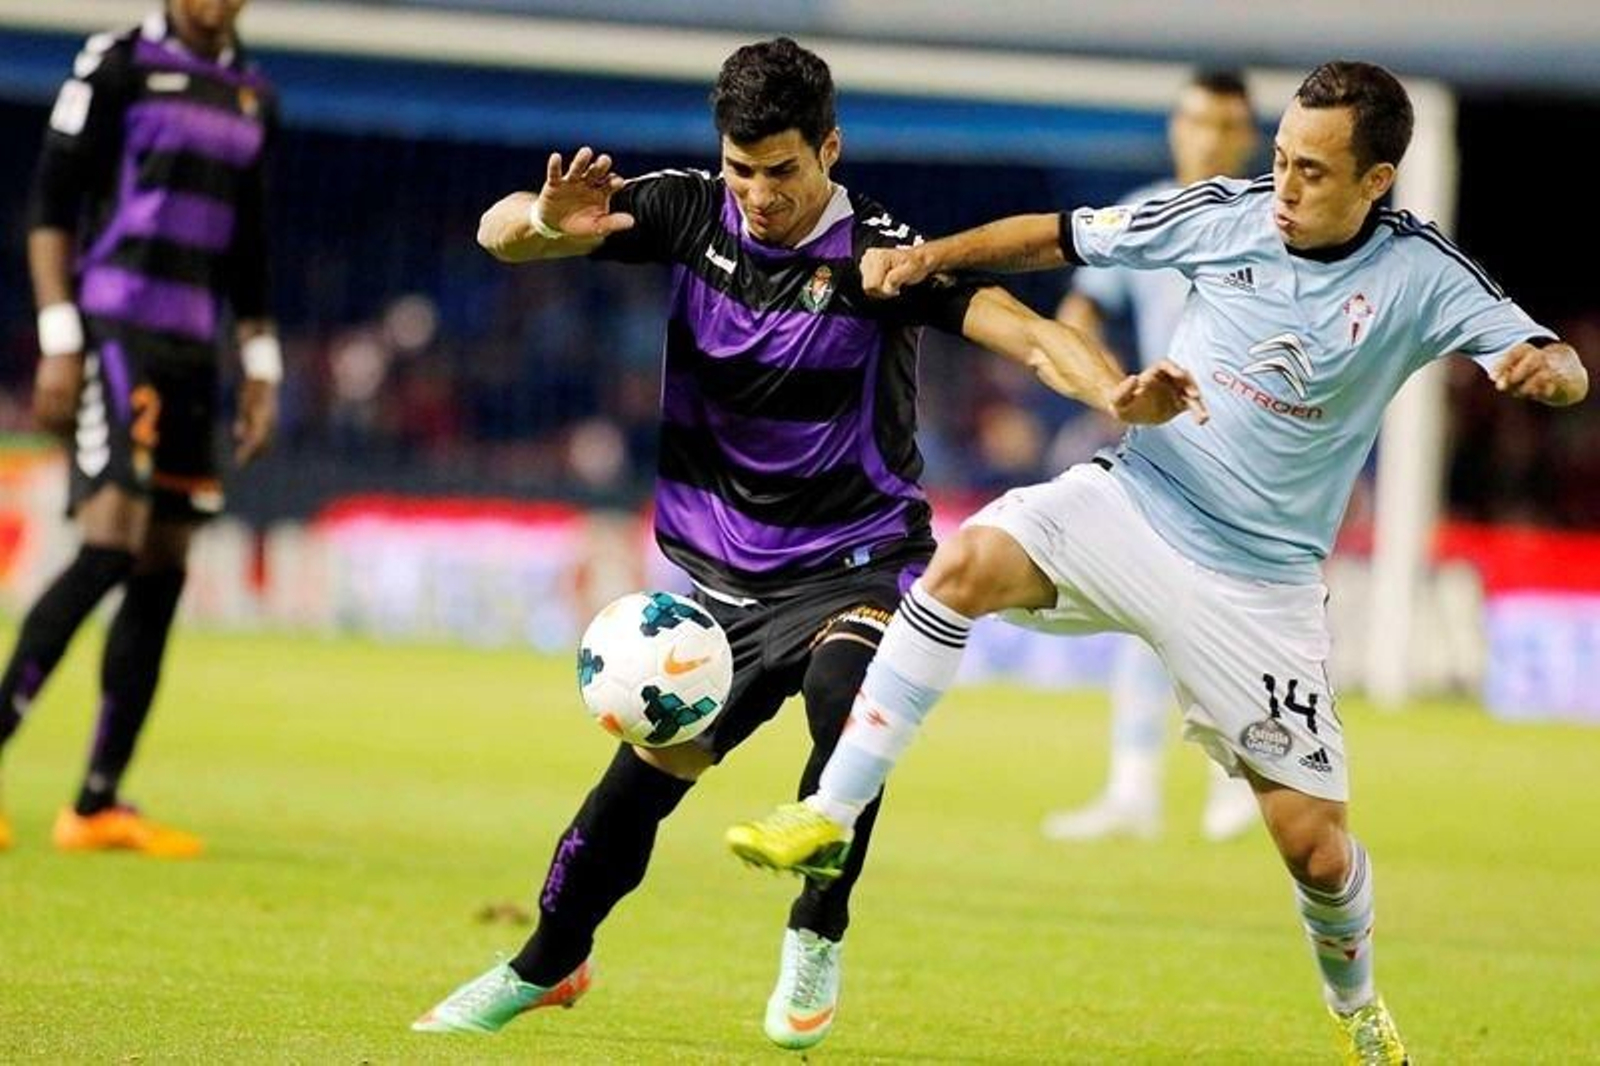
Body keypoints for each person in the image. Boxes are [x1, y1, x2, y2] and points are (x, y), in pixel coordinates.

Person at [727, 60, 1588, 1064]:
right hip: (1140, 500)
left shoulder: (1421, 275)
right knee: (962, 565)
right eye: (1280, 160)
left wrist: (1554, 374)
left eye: (1313, 171)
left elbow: (1543, 353)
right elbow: (1057, 238)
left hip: (1260, 587)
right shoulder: (1223, 214)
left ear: (1375, 181)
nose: (1287, 187)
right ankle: (831, 811)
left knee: (1314, 849)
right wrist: (924, 262)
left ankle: (1356, 1004)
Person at [412, 37, 1199, 1049]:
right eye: (741, 170)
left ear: (828, 148)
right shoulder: (687, 211)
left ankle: (816, 931)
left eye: (780, 171)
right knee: (632, 795)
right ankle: (547, 962)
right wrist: (538, 225)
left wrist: (1113, 393)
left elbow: (1026, 332)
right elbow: (498, 233)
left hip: (857, 563)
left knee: (843, 697)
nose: (758, 194)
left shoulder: (883, 257)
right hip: (719, 588)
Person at [0, 0, 279, 858]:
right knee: (111, 542)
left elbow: (250, 246)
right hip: (118, 328)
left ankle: (96, 802)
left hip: (197, 350)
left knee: (165, 562)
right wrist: (60, 338)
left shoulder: (253, 95)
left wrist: (259, 361)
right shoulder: (114, 64)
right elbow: (50, 209)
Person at [1045, 69, 1260, 845]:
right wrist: (1107, 386)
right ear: (1177, 126)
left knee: (1233, 618)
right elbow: (1080, 310)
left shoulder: (1272, 222)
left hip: (1256, 454)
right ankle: (1133, 789)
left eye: (1226, 124)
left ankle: (1237, 779)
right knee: (1146, 614)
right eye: (1198, 120)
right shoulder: (1136, 215)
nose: (1209, 136)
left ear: (1247, 137)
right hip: (1165, 448)